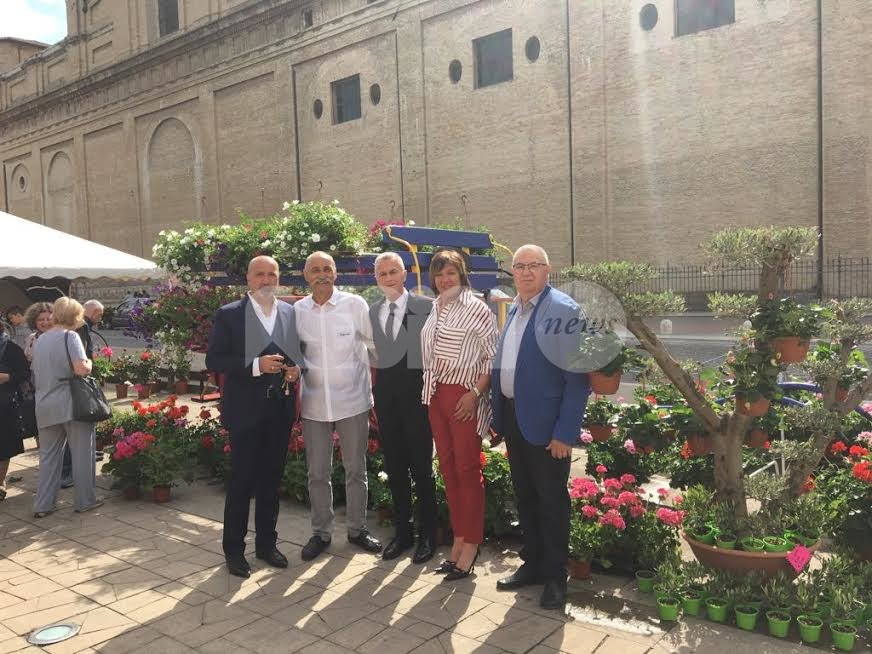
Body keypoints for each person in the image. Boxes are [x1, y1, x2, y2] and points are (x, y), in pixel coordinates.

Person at [491, 245, 591, 611]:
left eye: (534, 265)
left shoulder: (563, 310)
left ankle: (555, 577)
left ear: (548, 270)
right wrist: (497, 417)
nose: (526, 272)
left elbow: (577, 380)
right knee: (526, 497)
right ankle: (532, 564)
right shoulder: (515, 308)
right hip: (515, 419)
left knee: (551, 502)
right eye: (519, 266)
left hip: (548, 428)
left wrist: (565, 433)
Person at [206, 256, 302, 578]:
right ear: (248, 279)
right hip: (245, 412)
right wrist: (256, 365)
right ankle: (234, 550)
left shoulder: (288, 312)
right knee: (242, 482)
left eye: (272, 274)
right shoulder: (230, 314)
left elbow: (295, 353)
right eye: (259, 274)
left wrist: (295, 370)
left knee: (271, 481)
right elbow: (214, 359)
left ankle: (266, 545)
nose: (266, 279)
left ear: (278, 278)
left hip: (279, 411)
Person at [295, 251, 382, 561]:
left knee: (356, 470)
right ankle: (321, 532)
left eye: (327, 268)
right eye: (315, 269)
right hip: (314, 403)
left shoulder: (355, 305)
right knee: (317, 473)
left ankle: (357, 529)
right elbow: (293, 352)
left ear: (335, 273)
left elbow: (375, 349)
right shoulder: (298, 311)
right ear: (306, 276)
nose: (322, 274)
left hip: (353, 401)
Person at [420, 249, 498, 581]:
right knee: (448, 469)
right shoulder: (435, 307)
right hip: (435, 395)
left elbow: (492, 357)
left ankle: (471, 544)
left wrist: (475, 394)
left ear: (462, 274)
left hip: (464, 396)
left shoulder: (477, 308)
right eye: (438, 274)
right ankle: (458, 538)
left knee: (467, 470)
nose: (444, 279)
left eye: (450, 273)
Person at [369, 252, 437, 564]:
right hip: (387, 402)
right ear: (377, 279)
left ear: (404, 274)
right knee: (395, 468)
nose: (388, 278)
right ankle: (403, 533)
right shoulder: (373, 311)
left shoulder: (426, 307)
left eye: (393, 271)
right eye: (382, 274)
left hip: (418, 401)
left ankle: (428, 535)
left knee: (422, 470)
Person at [31, 298, 102, 517]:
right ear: (75, 316)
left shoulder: (40, 339)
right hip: (71, 403)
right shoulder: (70, 337)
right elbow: (81, 369)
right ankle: (85, 501)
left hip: (44, 404)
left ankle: (43, 505)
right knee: (83, 454)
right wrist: (89, 363)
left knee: (48, 458)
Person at [0, 320, 28, 501]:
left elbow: (24, 373)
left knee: (4, 445)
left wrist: (8, 377)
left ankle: (0, 481)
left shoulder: (11, 348)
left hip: (4, 405)